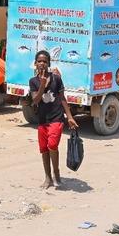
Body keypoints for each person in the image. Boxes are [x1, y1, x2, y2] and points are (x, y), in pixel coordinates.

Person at [30, 50, 78, 189]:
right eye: (39, 61)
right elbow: (35, 100)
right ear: (35, 64)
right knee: (44, 149)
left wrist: (69, 117)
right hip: (42, 120)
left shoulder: (56, 79)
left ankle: (56, 174)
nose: (42, 64)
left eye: (45, 61)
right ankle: (48, 177)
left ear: (49, 63)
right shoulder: (33, 81)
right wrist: (42, 86)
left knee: (52, 145)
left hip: (56, 118)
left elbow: (62, 98)